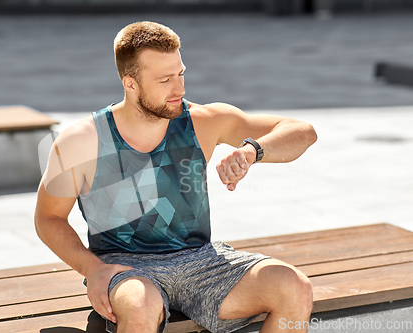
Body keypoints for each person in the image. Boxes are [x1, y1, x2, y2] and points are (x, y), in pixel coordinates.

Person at [35, 21, 317, 333]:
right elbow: (48, 218)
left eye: (181, 73)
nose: (179, 89)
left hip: (202, 261)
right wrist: (94, 269)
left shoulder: (203, 121)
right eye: (165, 80)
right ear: (130, 83)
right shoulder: (81, 141)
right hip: (126, 268)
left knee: (294, 287)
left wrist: (252, 151)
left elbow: (302, 132)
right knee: (140, 307)